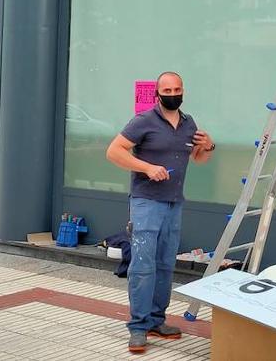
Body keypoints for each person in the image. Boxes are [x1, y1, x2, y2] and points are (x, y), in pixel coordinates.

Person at [106, 71, 215, 354]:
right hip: (146, 202)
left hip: (173, 202)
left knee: (166, 263)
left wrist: (208, 146)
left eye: (177, 89)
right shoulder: (144, 121)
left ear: (183, 91)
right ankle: (138, 328)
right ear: (157, 93)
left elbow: (199, 160)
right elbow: (114, 152)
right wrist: (146, 167)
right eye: (167, 90)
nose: (173, 93)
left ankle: (157, 320)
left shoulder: (189, 122)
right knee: (143, 266)